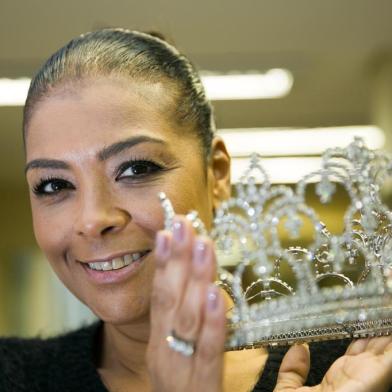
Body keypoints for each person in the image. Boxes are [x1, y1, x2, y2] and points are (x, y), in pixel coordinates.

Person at [1, 28, 391, 392]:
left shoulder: (355, 367)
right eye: (54, 185)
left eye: (136, 169)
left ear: (217, 174)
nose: (92, 220)